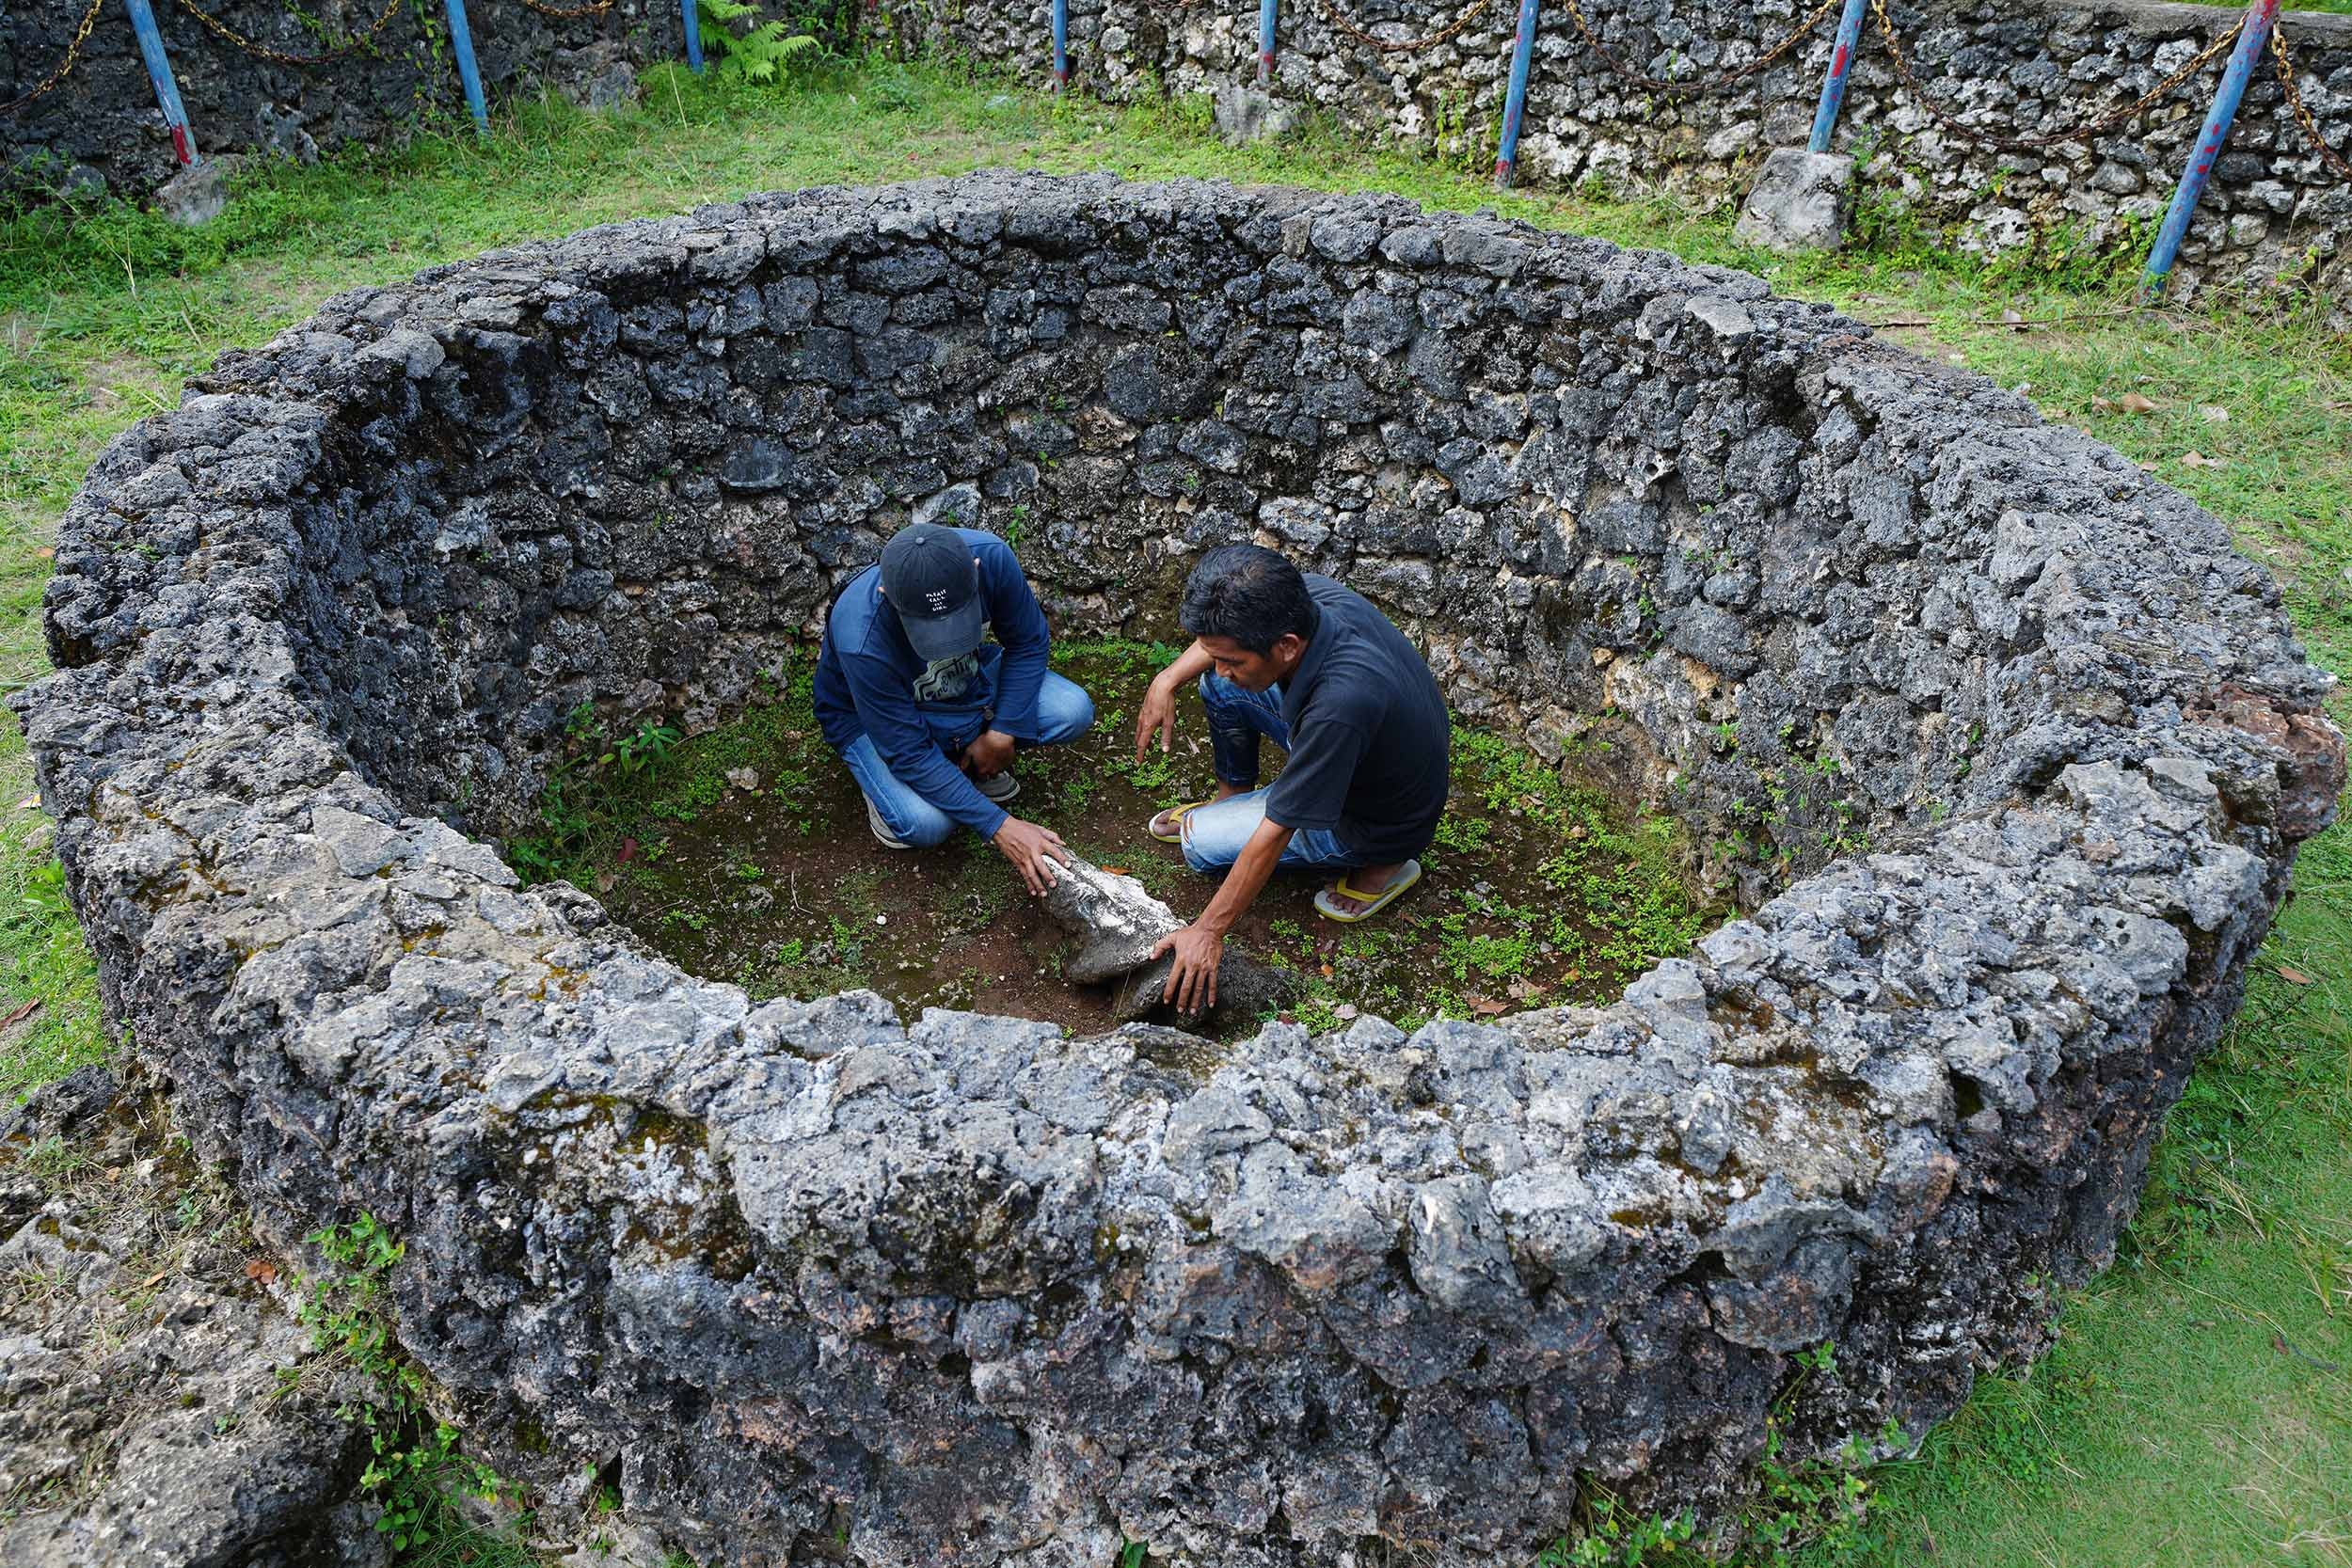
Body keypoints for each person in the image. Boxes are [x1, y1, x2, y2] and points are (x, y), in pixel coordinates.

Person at [1134, 545, 1451, 1011]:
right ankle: (1232, 800)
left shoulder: (1340, 705)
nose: (1223, 665)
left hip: (1377, 815)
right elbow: (1217, 649)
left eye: (1235, 659)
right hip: (1370, 746)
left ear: (1286, 646)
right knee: (1217, 685)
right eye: (1216, 652)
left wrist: (1207, 930)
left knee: (1199, 842)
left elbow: (1277, 831)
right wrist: (1166, 679)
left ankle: (1386, 862)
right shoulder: (1298, 600)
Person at [813, 521, 1091, 895]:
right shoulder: (859, 636)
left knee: (1071, 709)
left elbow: (1027, 642)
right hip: (872, 717)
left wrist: (1003, 730)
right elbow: (907, 751)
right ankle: (891, 787)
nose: (945, 638)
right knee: (925, 824)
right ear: (886, 594)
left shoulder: (991, 557)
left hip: (963, 681)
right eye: (929, 629)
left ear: (974, 571)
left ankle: (958, 761)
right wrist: (1000, 826)